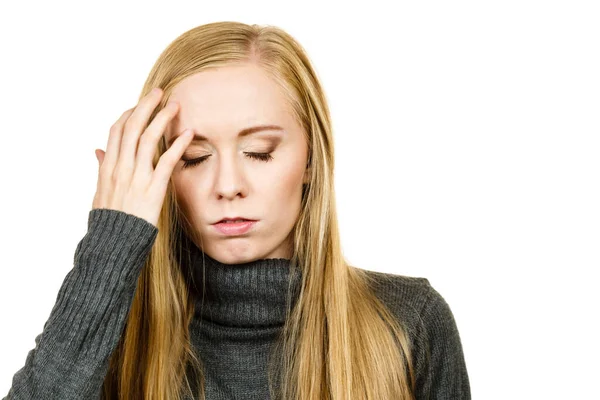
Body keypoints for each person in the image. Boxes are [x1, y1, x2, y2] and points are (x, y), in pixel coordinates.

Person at [3, 21, 470, 400]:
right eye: (193, 157)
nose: (228, 186)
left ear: (310, 159)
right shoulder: (111, 339)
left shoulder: (408, 323)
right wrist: (110, 243)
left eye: (260, 152)